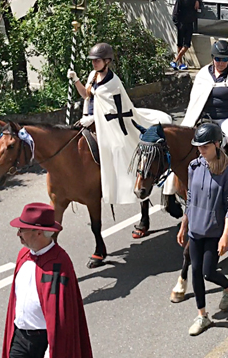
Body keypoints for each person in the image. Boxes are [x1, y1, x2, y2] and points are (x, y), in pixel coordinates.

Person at [69, 43, 168, 230]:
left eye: (97, 61)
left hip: (108, 124)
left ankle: (137, 194)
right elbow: (86, 96)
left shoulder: (113, 83)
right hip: (87, 121)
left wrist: (94, 119)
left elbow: (114, 110)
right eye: (92, 61)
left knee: (118, 150)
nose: (94, 64)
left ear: (107, 61)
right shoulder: (92, 76)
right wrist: (75, 80)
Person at [0, 203, 97, 358]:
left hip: (47, 340)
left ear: (38, 232)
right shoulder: (23, 256)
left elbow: (62, 317)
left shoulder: (59, 263)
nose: (18, 234)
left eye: (22, 229)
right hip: (20, 338)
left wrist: (51, 351)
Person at [176, 122, 228, 336]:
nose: (200, 150)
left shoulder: (227, 172)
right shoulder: (194, 166)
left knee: (208, 272)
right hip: (195, 228)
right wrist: (184, 224)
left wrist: (225, 234)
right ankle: (202, 316)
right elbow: (191, 198)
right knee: (195, 272)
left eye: (205, 146)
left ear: (216, 144)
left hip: (214, 231)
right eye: (198, 146)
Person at [182, 40, 228, 200]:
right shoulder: (203, 75)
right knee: (184, 144)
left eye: (225, 59)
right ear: (212, 58)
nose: (221, 63)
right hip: (207, 119)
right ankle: (177, 188)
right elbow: (196, 100)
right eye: (218, 59)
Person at [171, 0, 202, 70]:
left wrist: (197, 1)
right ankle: (180, 63)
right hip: (181, 24)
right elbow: (175, 13)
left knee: (186, 44)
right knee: (180, 44)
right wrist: (177, 24)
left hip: (189, 24)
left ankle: (175, 60)